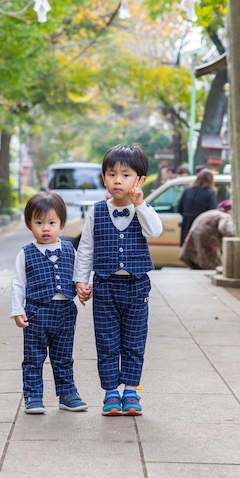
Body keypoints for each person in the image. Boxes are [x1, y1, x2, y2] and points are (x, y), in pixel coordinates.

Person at [74, 144, 163, 416]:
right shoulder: (97, 211)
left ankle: (132, 392)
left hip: (137, 287)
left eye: (126, 175)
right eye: (112, 174)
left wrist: (140, 204)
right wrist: (81, 280)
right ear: (104, 179)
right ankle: (111, 392)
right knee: (107, 340)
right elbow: (86, 247)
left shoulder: (143, 210)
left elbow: (155, 232)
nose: (118, 180)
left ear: (140, 180)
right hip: (105, 285)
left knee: (135, 341)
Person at [11, 191, 88, 415]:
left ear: (62, 225)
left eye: (52, 223)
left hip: (65, 312)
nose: (46, 228)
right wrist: (17, 310)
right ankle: (33, 396)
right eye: (39, 223)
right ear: (29, 224)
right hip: (36, 312)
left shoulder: (68, 249)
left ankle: (67, 394)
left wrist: (83, 287)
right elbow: (18, 283)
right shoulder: (26, 254)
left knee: (63, 356)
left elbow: (78, 274)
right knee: (34, 357)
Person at [179, 200, 234, 270]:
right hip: (206, 239)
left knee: (197, 259)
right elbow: (225, 229)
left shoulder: (212, 212)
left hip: (195, 237)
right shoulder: (225, 216)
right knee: (213, 265)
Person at [177, 168, 218, 245]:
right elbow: (213, 212)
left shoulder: (187, 190)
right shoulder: (210, 193)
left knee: (188, 252)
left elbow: (179, 208)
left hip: (187, 226)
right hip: (202, 227)